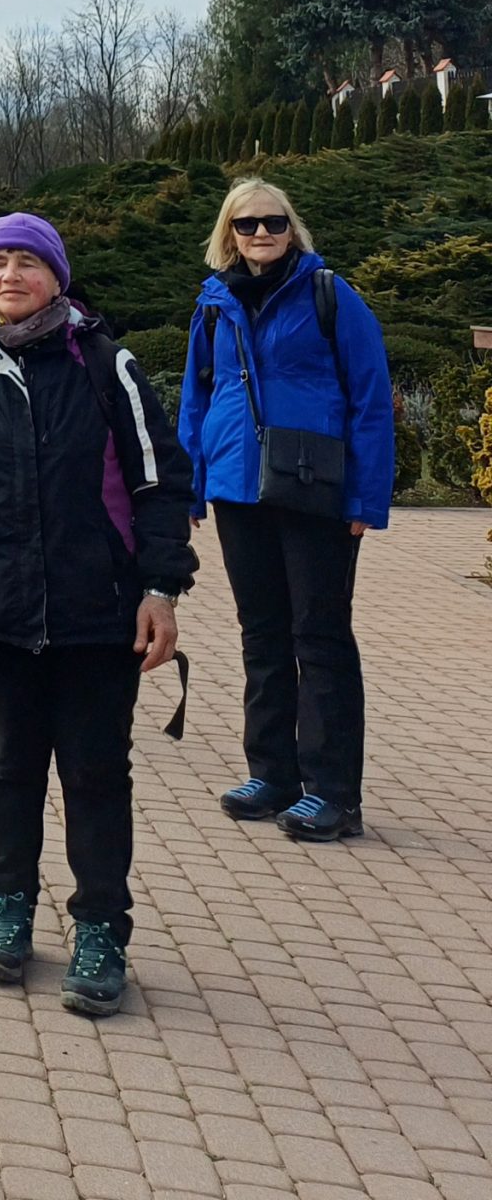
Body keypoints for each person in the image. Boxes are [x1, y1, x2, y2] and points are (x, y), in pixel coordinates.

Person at [0, 212, 194, 1018]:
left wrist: (161, 590)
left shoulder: (107, 364)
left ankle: (100, 928)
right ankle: (8, 908)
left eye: (27, 262)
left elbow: (161, 485)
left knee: (95, 774)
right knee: (8, 766)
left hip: (99, 610)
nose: (10, 275)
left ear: (57, 277)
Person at [179, 175, 393, 843]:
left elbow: (371, 396)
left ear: (291, 227)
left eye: (273, 222)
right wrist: (190, 484)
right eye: (247, 224)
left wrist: (366, 498)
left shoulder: (330, 294)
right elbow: (196, 397)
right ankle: (273, 775)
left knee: (320, 637)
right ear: (230, 233)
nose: (262, 233)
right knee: (262, 633)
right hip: (238, 486)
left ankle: (334, 792)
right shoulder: (213, 306)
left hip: (314, 487)